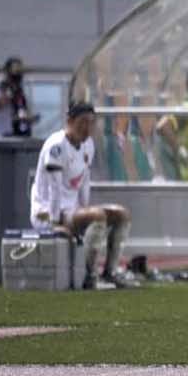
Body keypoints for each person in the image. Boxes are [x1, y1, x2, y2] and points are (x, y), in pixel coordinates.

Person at [30, 102, 133, 289]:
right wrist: (54, 225)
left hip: (71, 212)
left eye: (91, 123)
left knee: (121, 214)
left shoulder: (88, 145)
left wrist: (86, 210)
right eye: (82, 123)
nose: (87, 128)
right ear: (69, 121)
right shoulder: (56, 146)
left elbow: (84, 182)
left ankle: (110, 272)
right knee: (97, 216)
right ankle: (88, 276)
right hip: (46, 213)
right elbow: (54, 190)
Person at [1, 56, 39, 137]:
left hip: (23, 132)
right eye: (16, 69)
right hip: (10, 133)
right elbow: (3, 114)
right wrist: (20, 118)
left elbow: (21, 107)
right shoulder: (4, 88)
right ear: (8, 71)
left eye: (20, 70)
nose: (19, 72)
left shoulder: (19, 89)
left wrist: (29, 117)